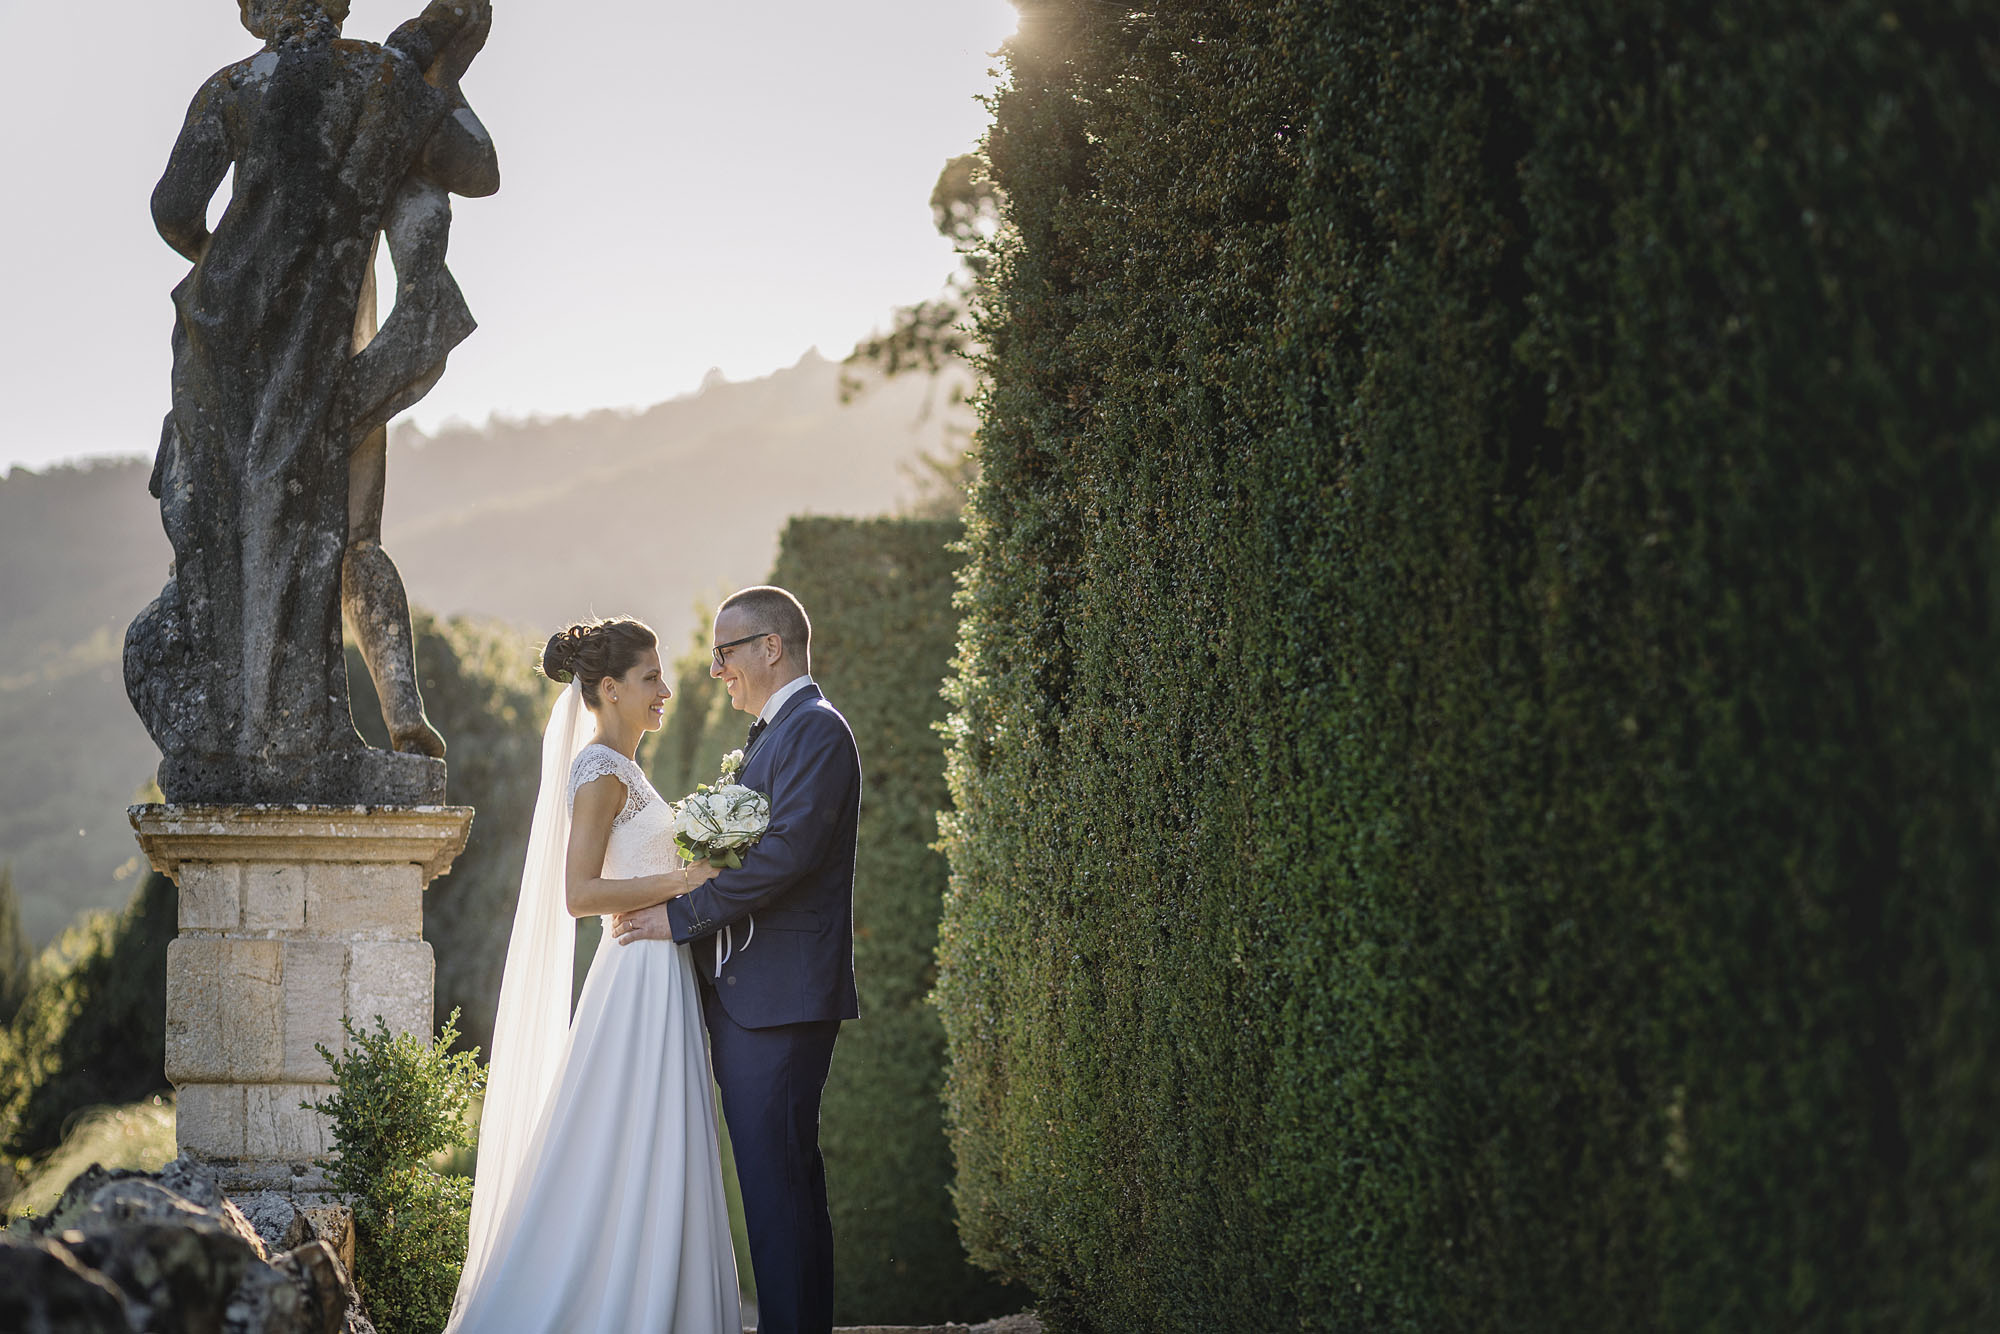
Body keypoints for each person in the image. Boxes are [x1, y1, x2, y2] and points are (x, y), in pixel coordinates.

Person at [447, 617, 741, 1333]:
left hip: (657, 971)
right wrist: (684, 879)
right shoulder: (600, 771)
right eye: (651, 678)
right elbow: (579, 894)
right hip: (634, 978)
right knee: (621, 1136)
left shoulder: (627, 769)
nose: (666, 690)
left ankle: (656, 1300)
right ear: (609, 690)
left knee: (650, 1136)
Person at [612, 586, 862, 1334]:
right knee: (777, 1189)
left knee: (779, 1191)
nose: (715, 670)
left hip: (781, 1002)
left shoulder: (816, 732)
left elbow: (784, 858)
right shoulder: (771, 736)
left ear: (770, 648)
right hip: (751, 999)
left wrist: (677, 916)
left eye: (724, 653)